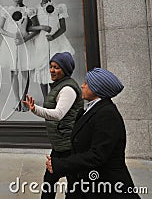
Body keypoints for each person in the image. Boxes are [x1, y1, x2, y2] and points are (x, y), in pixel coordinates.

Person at [45, 68, 141, 198]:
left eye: (86, 83)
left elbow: (97, 155)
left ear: (97, 89)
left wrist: (61, 165)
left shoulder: (107, 114)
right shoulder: (93, 109)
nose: (82, 86)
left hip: (106, 187)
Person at [22, 52, 83, 199]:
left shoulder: (67, 89)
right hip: (61, 143)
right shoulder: (59, 86)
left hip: (68, 145)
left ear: (65, 70)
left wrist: (35, 109)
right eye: (51, 67)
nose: (51, 70)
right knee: (51, 180)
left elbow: (58, 114)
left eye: (56, 67)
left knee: (71, 183)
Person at [0, 0, 39, 111]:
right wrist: (13, 36)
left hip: (25, 45)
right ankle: (16, 100)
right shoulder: (7, 10)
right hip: (11, 44)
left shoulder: (28, 10)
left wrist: (24, 39)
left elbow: (36, 29)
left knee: (25, 71)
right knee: (14, 72)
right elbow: (0, 28)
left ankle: (24, 98)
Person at [31, 0, 75, 99]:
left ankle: (55, 96)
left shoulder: (59, 8)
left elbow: (63, 28)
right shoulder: (35, 9)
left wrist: (54, 36)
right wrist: (42, 28)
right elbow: (31, 27)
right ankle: (46, 98)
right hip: (41, 42)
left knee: (55, 67)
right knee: (42, 66)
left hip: (56, 42)